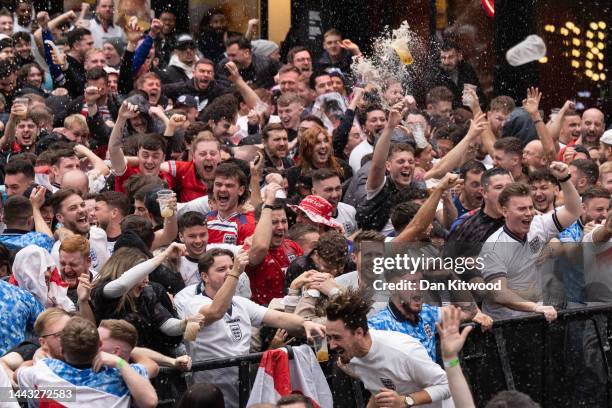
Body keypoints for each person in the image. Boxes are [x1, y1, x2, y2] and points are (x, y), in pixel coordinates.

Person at [185, 247, 325, 408]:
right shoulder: (195, 303)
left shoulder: (240, 302)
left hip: (244, 383)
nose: (229, 272)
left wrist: (305, 324)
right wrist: (235, 273)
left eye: (231, 267)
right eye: (221, 269)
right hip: (211, 393)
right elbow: (215, 312)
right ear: (205, 276)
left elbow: (277, 317)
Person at [480, 162, 582, 321]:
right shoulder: (494, 246)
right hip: (504, 324)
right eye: (521, 209)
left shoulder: (538, 224)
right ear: (504, 211)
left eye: (530, 207)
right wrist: (535, 307)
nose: (529, 214)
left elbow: (573, 211)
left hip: (536, 316)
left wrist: (565, 179)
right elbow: (499, 293)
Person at [325, 289, 452, 407]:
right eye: (329, 338)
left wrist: (405, 400)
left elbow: (447, 385)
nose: (332, 345)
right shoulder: (349, 359)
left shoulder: (404, 351)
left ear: (358, 333)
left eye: (337, 337)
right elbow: (378, 394)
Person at [17, 316, 158, 408]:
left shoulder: (43, 370)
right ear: (100, 345)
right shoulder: (121, 377)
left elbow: (16, 376)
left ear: (62, 350)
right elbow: (150, 401)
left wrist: (36, 358)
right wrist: (120, 362)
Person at [247, 184, 303, 306]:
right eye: (274, 222)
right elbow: (261, 247)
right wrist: (268, 202)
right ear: (258, 225)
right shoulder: (249, 249)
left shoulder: (292, 246)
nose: (281, 227)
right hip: (263, 318)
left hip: (292, 312)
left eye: (284, 221)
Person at [109, 101, 175, 193]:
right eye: (145, 155)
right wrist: (121, 118)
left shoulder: (169, 177)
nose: (149, 161)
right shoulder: (128, 174)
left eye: (155, 156)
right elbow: (114, 149)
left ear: (163, 158)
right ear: (138, 155)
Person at [206, 162, 255, 246]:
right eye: (218, 184)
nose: (222, 189)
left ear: (241, 190)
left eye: (229, 185)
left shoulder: (247, 224)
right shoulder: (205, 219)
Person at [311, 168, 357, 236]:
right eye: (329, 190)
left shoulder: (350, 211)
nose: (335, 195)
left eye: (338, 188)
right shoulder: (309, 219)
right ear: (314, 192)